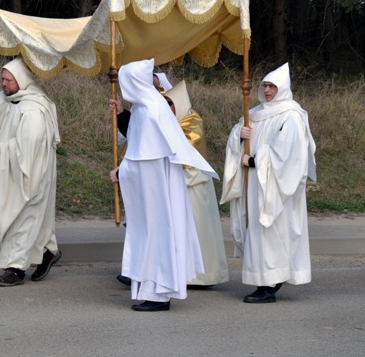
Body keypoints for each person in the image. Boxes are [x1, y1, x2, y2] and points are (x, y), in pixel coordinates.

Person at [108, 59, 218, 311]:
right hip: (156, 190)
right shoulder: (148, 106)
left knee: (155, 237)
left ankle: (158, 295)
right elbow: (140, 142)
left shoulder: (149, 111)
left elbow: (146, 159)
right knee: (155, 237)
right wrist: (122, 113)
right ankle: (154, 292)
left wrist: (122, 172)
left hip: (155, 191)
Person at [220, 63, 316, 303]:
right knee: (255, 229)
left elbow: (287, 155)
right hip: (254, 185)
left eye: (273, 86)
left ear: (282, 88)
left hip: (273, 187)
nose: (268, 90)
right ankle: (264, 279)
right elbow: (238, 136)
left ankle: (269, 283)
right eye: (265, 86)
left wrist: (253, 161)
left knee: (272, 229)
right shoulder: (254, 113)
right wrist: (238, 137)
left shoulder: (291, 116)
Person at [0, 56, 61, 287]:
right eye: (2, 79)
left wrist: (1, 150)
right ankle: (48, 252)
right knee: (28, 220)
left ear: (21, 79)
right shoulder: (2, 100)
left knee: (24, 217)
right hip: (7, 171)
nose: (3, 84)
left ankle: (15, 270)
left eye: (8, 80)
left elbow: (31, 145)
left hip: (31, 172)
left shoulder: (33, 108)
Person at [165, 81, 229, 288]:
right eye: (165, 104)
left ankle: (203, 275)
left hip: (194, 184)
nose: (168, 108)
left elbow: (183, 148)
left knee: (199, 230)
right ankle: (182, 274)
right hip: (178, 183)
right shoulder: (169, 121)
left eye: (171, 104)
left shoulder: (192, 121)